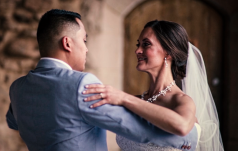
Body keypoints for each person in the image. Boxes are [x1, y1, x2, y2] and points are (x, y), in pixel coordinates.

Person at [6, 10, 198, 151]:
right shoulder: (81, 85)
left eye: (145, 45)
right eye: (84, 41)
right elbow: (145, 132)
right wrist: (192, 134)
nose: (87, 49)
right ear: (67, 43)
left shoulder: (18, 88)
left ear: (169, 53)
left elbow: (14, 122)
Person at [83, 20, 224, 151]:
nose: (137, 51)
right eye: (138, 44)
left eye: (146, 44)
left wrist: (124, 98)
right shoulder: (134, 100)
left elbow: (182, 126)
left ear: (168, 52)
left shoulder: (181, 101)